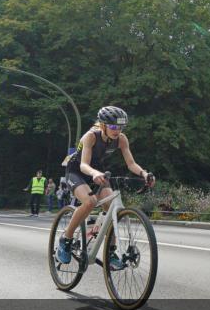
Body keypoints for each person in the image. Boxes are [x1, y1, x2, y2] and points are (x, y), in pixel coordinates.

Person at [55, 106, 155, 270]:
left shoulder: (121, 139)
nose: (117, 131)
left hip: (97, 171)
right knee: (89, 202)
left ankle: (110, 252)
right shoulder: (90, 137)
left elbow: (131, 163)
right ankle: (65, 239)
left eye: (120, 127)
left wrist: (144, 174)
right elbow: (84, 165)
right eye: (114, 127)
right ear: (103, 125)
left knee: (112, 209)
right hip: (77, 170)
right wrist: (94, 174)